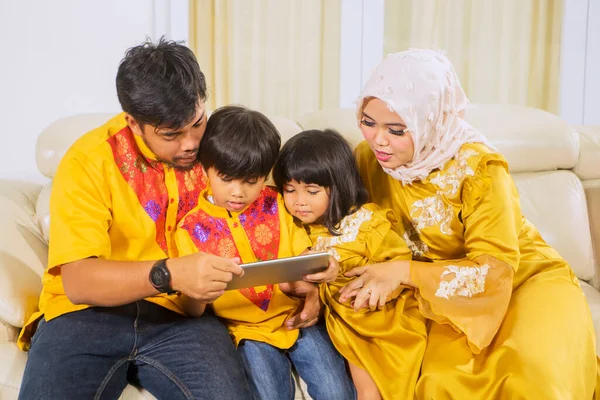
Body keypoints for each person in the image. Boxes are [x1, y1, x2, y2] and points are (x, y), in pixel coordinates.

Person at [337, 48, 599, 398]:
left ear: (430, 121)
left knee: (530, 380)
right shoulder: (367, 160)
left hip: (524, 281)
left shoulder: (480, 169)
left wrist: (404, 272)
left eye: (396, 129)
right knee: (439, 384)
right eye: (367, 122)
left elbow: (494, 272)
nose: (378, 139)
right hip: (445, 296)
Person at [17, 38, 253, 400]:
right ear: (134, 123)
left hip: (180, 318)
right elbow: (78, 281)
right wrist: (171, 273)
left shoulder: (220, 148)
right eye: (171, 134)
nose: (190, 143)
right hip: (85, 315)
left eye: (197, 123)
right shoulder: (88, 161)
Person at [174, 105, 356, 400]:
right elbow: (191, 308)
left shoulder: (276, 203)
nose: (238, 192)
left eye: (251, 181)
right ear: (206, 168)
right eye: (227, 179)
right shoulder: (190, 229)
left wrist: (321, 274)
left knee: (336, 391)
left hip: (296, 320)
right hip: (247, 333)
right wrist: (199, 294)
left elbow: (304, 255)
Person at [273, 128, 419, 399]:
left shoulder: (364, 225)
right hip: (341, 320)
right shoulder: (294, 226)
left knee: (370, 386)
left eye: (312, 191)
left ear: (338, 187)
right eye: (290, 190)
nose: (299, 201)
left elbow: (398, 262)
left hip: (375, 316)